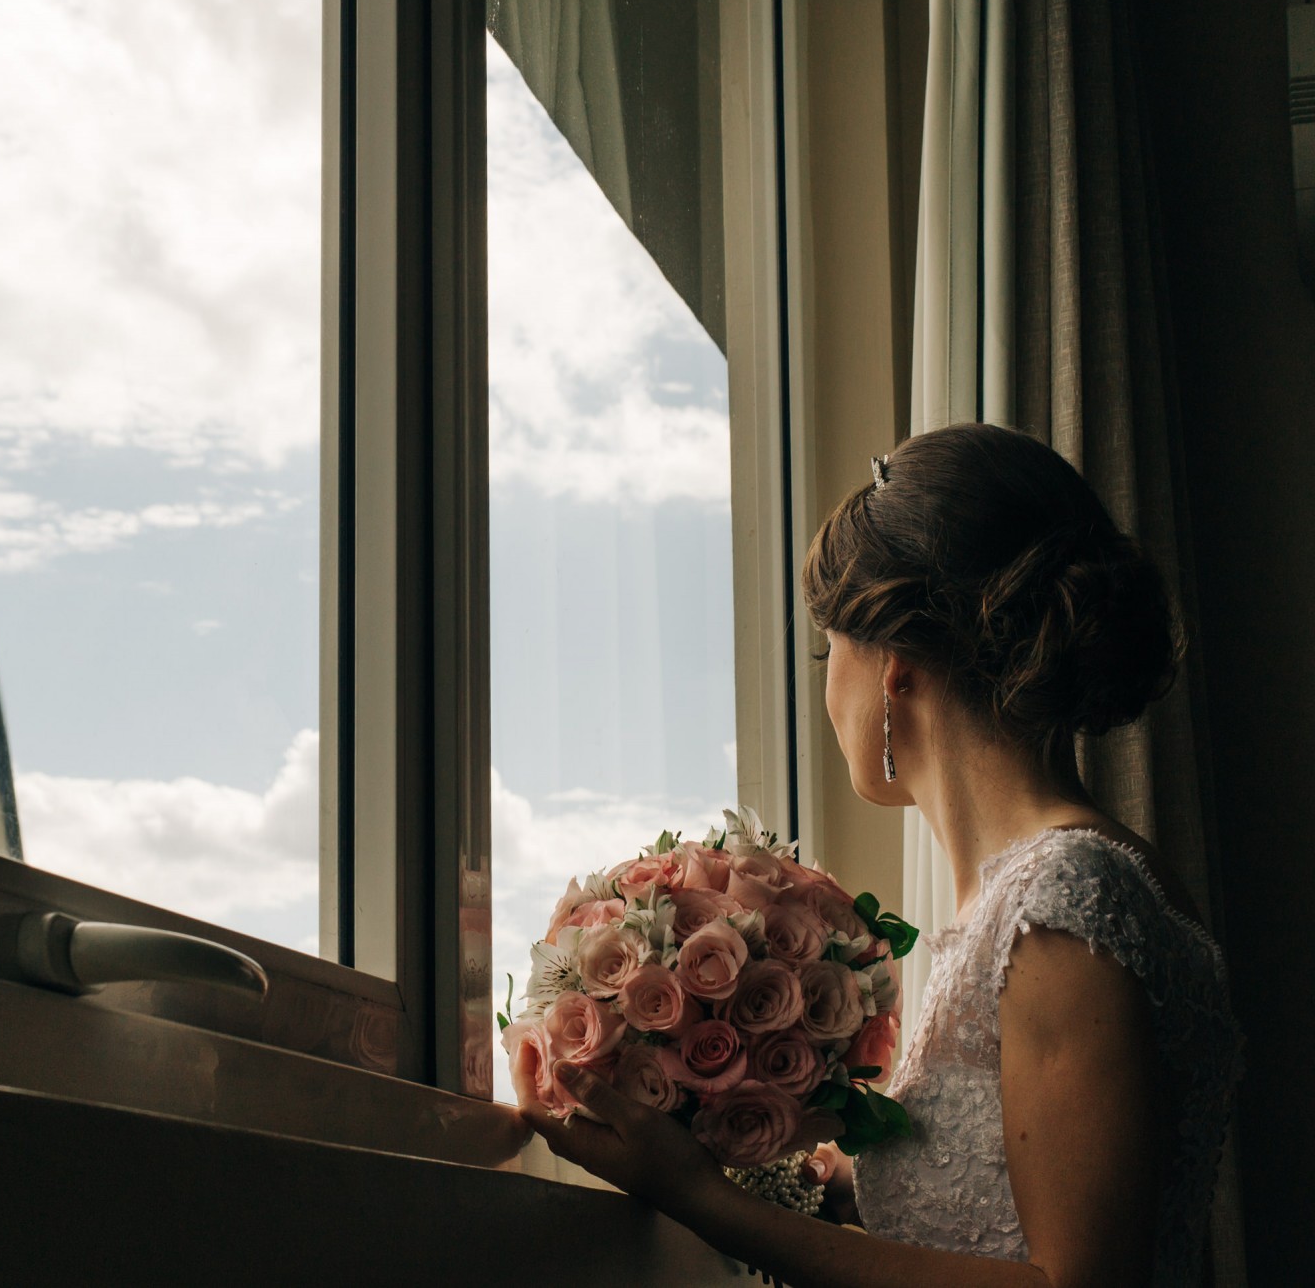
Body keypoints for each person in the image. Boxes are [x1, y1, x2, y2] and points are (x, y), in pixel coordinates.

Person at [521, 423, 1239, 1288]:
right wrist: (826, 1176)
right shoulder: (1057, 891)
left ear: (894, 665)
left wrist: (704, 1198)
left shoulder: (1063, 902)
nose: (828, 684)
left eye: (832, 648)